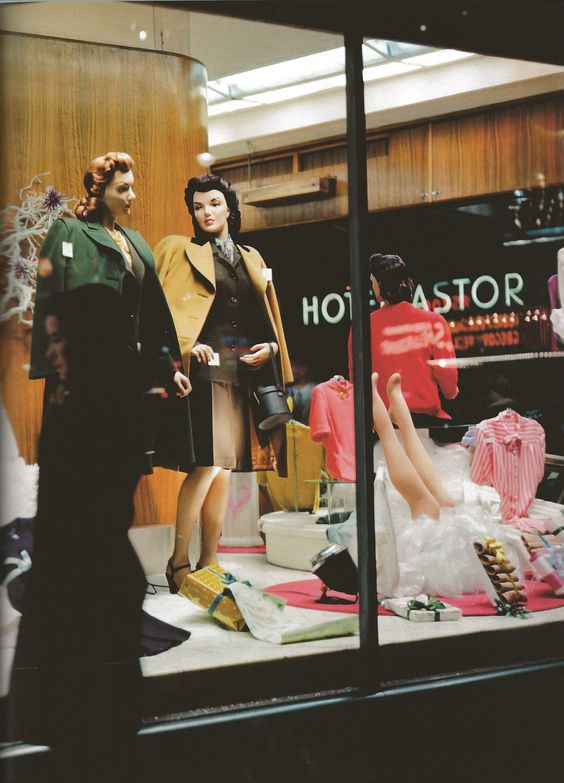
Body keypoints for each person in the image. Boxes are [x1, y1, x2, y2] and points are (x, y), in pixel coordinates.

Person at [11, 285, 147, 781]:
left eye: (60, 340)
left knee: (88, 733)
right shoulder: (86, 399)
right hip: (79, 577)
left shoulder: (100, 407)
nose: (51, 352)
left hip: (86, 582)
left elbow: (87, 504)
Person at [154, 173, 292, 590]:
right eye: (198, 206)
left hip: (242, 373)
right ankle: (178, 561)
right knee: (206, 465)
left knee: (224, 471)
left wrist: (270, 346)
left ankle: (209, 561)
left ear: (229, 208)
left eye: (213, 203)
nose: (206, 212)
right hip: (207, 371)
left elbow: (263, 318)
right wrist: (184, 345)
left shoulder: (251, 256)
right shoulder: (184, 253)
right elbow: (164, 310)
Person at [30, 151, 192, 471]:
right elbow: (50, 303)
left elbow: (152, 315)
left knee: (123, 471)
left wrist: (169, 368)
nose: (131, 196)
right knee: (86, 470)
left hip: (129, 375)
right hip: (85, 377)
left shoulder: (136, 242)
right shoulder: (69, 232)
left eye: (131, 187)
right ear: (99, 191)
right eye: (122, 189)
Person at [348, 253, 459, 426]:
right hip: (424, 422)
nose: (372, 287)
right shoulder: (433, 322)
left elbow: (356, 381)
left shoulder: (362, 327)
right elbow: (447, 376)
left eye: (373, 282)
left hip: (382, 425)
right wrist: (451, 392)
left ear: (381, 284)